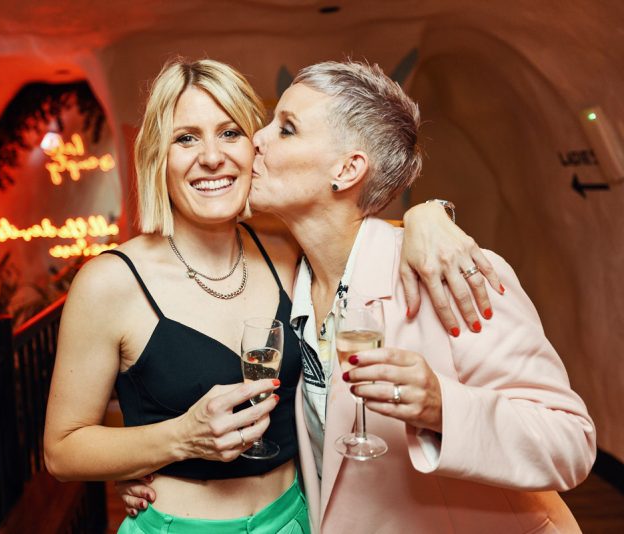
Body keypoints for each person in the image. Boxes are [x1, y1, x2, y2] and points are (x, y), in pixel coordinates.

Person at [44, 58, 499, 533]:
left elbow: (353, 230)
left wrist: (429, 215)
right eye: (186, 138)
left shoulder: (287, 256)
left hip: (297, 519)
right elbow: (62, 450)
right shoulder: (110, 282)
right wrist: (179, 439)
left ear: (254, 148)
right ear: (158, 156)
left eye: (230, 133)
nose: (212, 157)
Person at [246, 60, 594, 533]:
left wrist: (441, 408)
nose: (257, 139)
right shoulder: (286, 281)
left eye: (286, 129)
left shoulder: (451, 274)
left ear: (347, 169)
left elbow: (570, 443)